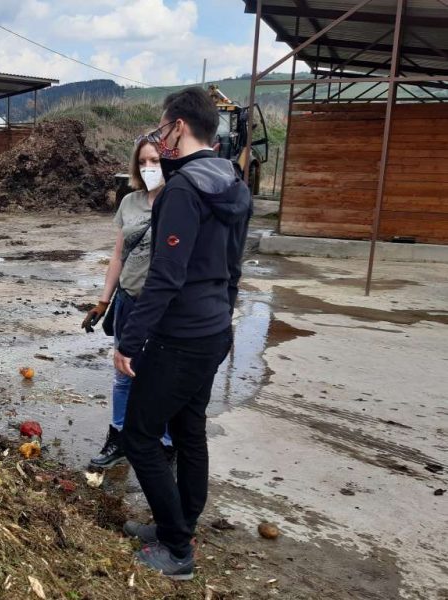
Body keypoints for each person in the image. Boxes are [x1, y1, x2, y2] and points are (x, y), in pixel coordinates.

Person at [114, 87, 252, 580]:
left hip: (182, 337)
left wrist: (129, 341)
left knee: (140, 436)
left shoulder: (182, 188)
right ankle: (181, 523)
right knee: (190, 429)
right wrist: (225, 317)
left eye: (162, 125)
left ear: (177, 127)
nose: (159, 135)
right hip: (214, 329)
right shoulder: (234, 182)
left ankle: (176, 550)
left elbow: (166, 276)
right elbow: (234, 268)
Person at [81, 137, 173, 468]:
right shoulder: (130, 203)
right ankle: (118, 438)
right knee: (123, 373)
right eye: (144, 161)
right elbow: (119, 256)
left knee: (159, 378)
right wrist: (103, 301)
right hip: (128, 302)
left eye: (156, 161)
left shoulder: (179, 202)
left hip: (163, 308)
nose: (150, 168)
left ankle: (164, 443)